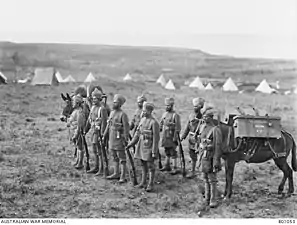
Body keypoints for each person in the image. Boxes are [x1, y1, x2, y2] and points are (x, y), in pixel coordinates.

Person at [126, 102, 160, 192]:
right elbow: (137, 134)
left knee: (150, 166)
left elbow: (156, 139)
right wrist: (131, 144)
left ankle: (150, 184)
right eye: (143, 110)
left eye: (145, 111)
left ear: (149, 111)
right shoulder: (142, 120)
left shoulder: (154, 123)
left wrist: (154, 151)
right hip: (141, 146)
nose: (143, 112)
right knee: (143, 164)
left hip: (149, 147)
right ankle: (143, 182)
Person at [197, 106, 222, 208]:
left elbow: (218, 147)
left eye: (206, 116)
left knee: (212, 180)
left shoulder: (216, 130)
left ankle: (213, 199)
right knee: (205, 178)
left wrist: (216, 161)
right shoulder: (202, 127)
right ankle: (206, 198)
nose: (204, 118)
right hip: (203, 156)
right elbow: (199, 140)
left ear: (211, 117)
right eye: (203, 116)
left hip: (211, 158)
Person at [103, 94, 130, 183]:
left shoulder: (123, 115)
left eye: (116, 103)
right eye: (114, 102)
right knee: (114, 157)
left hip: (119, 139)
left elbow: (126, 128)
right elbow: (108, 124)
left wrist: (125, 139)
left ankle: (122, 176)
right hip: (112, 138)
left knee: (122, 158)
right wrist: (104, 135)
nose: (114, 104)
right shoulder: (111, 112)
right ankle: (116, 173)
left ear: (120, 104)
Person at [84, 88, 108, 175]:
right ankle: (96, 166)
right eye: (93, 98)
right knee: (94, 149)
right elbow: (89, 120)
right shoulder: (93, 107)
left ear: (99, 99)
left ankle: (102, 168)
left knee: (99, 150)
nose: (93, 100)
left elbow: (104, 123)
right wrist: (85, 130)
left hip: (99, 132)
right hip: (93, 131)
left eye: (95, 99)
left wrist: (102, 135)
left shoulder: (102, 109)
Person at [180, 97, 205, 179]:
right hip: (191, 139)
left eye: (197, 106)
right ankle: (193, 171)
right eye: (194, 106)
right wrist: (183, 136)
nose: (195, 108)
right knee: (192, 155)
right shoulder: (191, 116)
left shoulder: (203, 118)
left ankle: (202, 172)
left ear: (200, 107)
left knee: (201, 156)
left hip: (199, 139)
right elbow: (187, 127)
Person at [159, 97, 181, 175]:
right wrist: (159, 128)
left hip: (172, 136)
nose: (166, 107)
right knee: (166, 151)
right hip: (165, 136)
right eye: (166, 105)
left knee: (173, 152)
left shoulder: (175, 115)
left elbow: (178, 128)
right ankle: (167, 165)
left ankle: (175, 167)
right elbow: (161, 123)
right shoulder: (164, 114)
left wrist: (175, 138)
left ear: (172, 106)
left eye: (168, 105)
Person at [67, 94, 87, 170]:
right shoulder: (75, 111)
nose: (72, 103)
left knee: (80, 147)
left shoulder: (80, 112)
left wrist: (76, 134)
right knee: (77, 147)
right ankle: (78, 161)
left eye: (73, 101)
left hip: (77, 132)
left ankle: (80, 162)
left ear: (77, 103)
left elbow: (79, 125)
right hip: (73, 131)